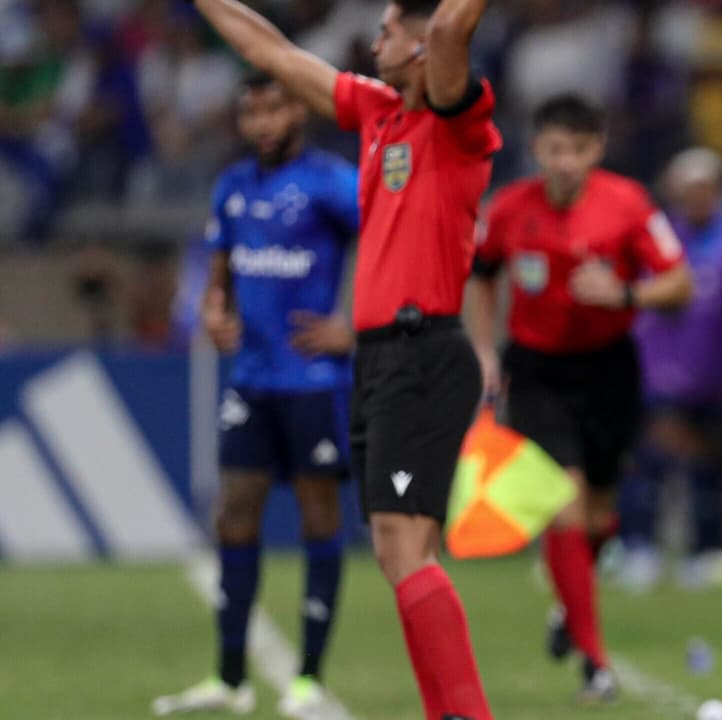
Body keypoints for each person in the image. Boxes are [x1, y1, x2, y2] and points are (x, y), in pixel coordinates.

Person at [186, 1, 503, 718]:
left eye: (391, 28)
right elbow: (269, 50)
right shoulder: (374, 110)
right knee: (402, 555)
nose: (377, 37)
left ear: (422, 47)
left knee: (400, 549)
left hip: (423, 350)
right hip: (387, 357)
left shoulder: (455, 121)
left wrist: (439, 24)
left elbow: (452, 29)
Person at [466, 94, 692, 701]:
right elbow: (481, 275)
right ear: (536, 149)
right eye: (553, 149)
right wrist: (484, 350)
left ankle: (571, 611)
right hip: (535, 372)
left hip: (609, 369)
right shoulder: (509, 209)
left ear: (597, 150)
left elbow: (679, 282)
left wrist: (625, 295)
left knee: (598, 517)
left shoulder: (628, 204)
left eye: (577, 149)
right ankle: (595, 664)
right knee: (563, 505)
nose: (564, 162)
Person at [152, 72, 358, 718]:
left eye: (274, 109)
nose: (262, 123)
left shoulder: (331, 180)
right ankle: (231, 677)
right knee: (234, 511)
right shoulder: (234, 185)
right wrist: (216, 311)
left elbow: (385, 240)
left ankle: (308, 680)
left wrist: (352, 321)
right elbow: (221, 268)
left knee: (317, 515)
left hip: (314, 379)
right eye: (251, 112)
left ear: (300, 109)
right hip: (251, 377)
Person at [618, 146, 722, 592]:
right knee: (650, 466)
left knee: (708, 469)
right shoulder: (659, 238)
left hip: (713, 372)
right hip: (658, 370)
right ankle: (639, 547)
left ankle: (708, 551)